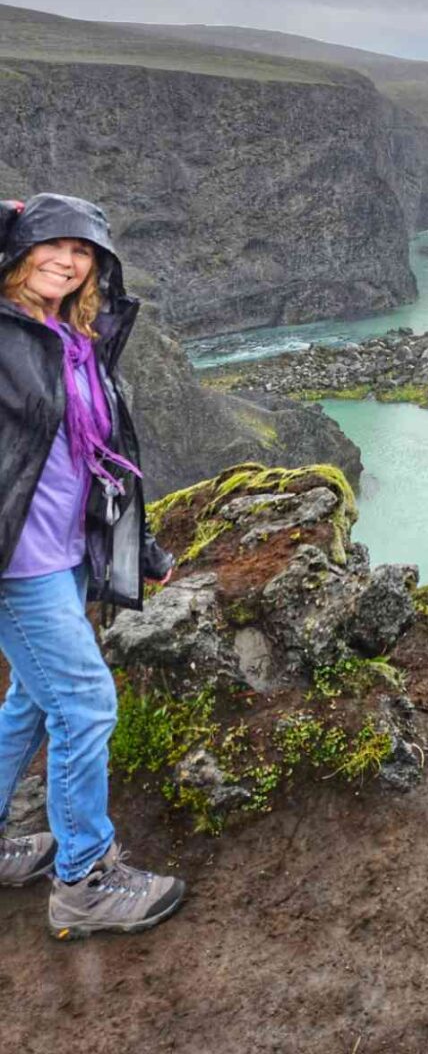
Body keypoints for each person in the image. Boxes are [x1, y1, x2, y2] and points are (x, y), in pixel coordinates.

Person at [0, 192, 186, 938]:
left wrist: (139, 551)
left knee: (34, 704)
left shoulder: (73, 339)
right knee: (86, 704)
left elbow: (100, 460)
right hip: (19, 563)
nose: (67, 261)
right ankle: (84, 878)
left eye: (84, 252)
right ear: (17, 250)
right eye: (50, 243)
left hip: (68, 550)